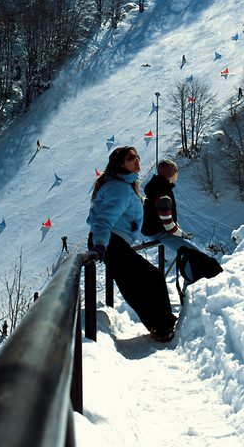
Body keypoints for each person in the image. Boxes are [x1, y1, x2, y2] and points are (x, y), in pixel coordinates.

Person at [87, 146, 176, 343]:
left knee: (133, 288)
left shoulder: (122, 184)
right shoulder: (118, 188)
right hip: (111, 241)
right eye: (131, 158)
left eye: (136, 157)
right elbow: (103, 219)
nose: (137, 161)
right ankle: (163, 327)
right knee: (153, 278)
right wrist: (101, 244)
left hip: (114, 241)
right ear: (120, 164)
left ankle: (158, 325)